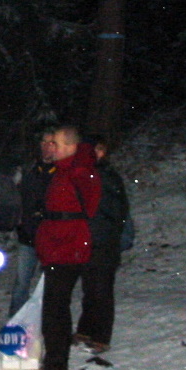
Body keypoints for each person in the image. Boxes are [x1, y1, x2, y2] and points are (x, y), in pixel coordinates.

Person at [33, 126, 101, 370]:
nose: (52, 147)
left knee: (56, 311)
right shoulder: (63, 170)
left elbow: (86, 210)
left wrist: (64, 240)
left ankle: (56, 369)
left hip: (68, 249)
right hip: (58, 248)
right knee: (53, 309)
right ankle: (52, 363)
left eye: (58, 143)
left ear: (71, 146)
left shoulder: (80, 171)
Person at [74, 136, 130, 354]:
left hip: (104, 241)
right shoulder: (84, 174)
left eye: (99, 150)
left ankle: (101, 336)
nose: (95, 154)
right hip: (88, 239)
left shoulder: (107, 176)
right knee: (90, 287)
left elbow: (117, 211)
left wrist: (105, 231)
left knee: (102, 289)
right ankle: (85, 329)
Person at [8, 129, 56, 317]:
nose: (46, 147)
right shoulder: (30, 170)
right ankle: (15, 321)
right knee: (22, 283)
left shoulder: (62, 173)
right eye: (44, 142)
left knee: (50, 285)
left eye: (51, 143)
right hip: (27, 237)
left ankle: (45, 321)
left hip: (51, 239)